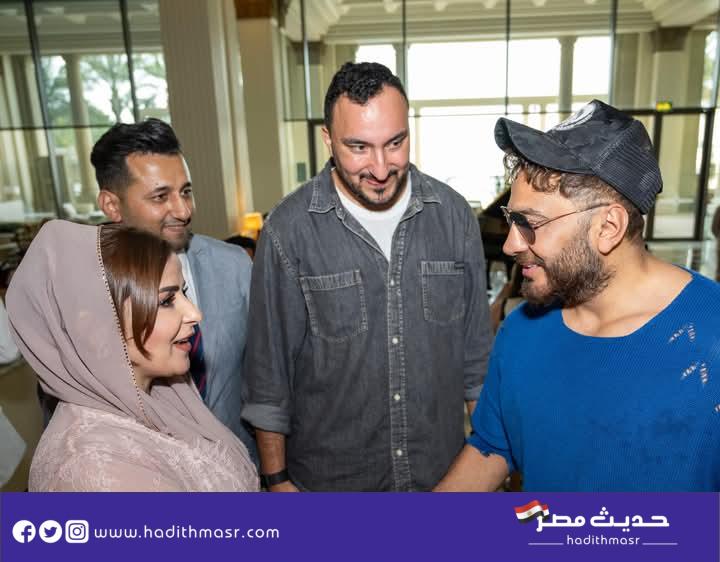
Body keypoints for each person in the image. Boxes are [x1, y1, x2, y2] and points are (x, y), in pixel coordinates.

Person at [435, 99, 720, 492]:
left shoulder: (711, 337)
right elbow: (491, 447)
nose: (511, 244)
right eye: (512, 220)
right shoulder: (520, 332)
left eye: (530, 223)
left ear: (608, 227)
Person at [242, 62, 492, 492]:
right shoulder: (288, 230)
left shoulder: (454, 217)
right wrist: (277, 480)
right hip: (332, 487)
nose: (380, 168)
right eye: (358, 147)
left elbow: (476, 362)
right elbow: (269, 375)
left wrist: (487, 463)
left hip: (441, 480)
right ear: (328, 139)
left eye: (395, 143)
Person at [6, 221, 258, 492]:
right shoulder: (92, 471)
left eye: (183, 292)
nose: (195, 314)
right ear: (96, 327)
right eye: (166, 301)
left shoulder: (164, 393)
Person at [91, 119, 256, 462]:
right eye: (160, 196)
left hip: (238, 470)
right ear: (111, 205)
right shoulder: (85, 289)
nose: (184, 211)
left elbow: (266, 376)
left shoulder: (234, 265)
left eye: (186, 192)